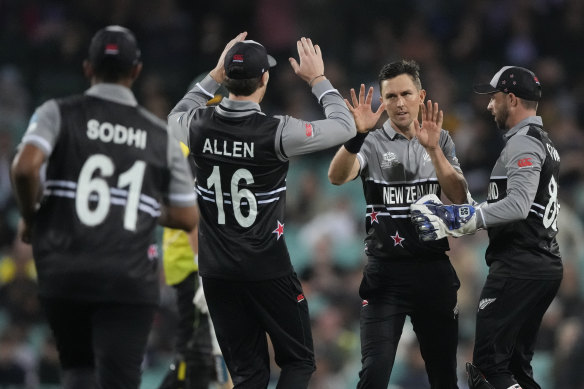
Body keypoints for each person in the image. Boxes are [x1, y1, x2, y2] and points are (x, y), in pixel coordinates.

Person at [10, 25, 198, 389]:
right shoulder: (159, 135)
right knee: (120, 380)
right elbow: (188, 216)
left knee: (79, 372)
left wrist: (32, 217)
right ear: (137, 71)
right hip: (128, 277)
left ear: (86, 68)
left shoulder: (57, 112)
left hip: (66, 270)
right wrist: (141, 207)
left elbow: (24, 166)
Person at [168, 32, 355, 388]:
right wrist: (317, 79)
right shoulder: (277, 132)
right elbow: (345, 126)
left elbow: (174, 115)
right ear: (265, 80)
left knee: (248, 374)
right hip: (267, 267)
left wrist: (214, 75)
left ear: (227, 78)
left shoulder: (196, 124)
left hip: (216, 271)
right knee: (299, 360)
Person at [410, 66, 562, 389]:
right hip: (538, 263)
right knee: (516, 370)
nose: (489, 106)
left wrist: (462, 219)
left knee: (488, 368)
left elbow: (519, 206)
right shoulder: (542, 143)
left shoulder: (523, 143)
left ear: (511, 98)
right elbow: (508, 204)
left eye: (493, 98)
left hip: (519, 265)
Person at [328, 59, 468, 388]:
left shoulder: (441, 139)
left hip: (433, 270)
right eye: (390, 96)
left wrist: (433, 151)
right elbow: (336, 177)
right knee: (374, 374)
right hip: (385, 276)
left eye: (405, 93)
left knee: (444, 376)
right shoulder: (371, 142)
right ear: (383, 101)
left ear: (421, 96)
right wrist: (356, 135)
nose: (399, 102)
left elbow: (459, 195)